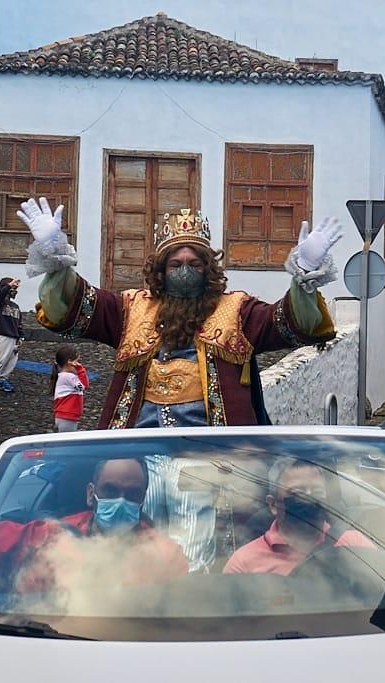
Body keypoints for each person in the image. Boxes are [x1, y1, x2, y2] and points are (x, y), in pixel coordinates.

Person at [20, 198, 341, 572]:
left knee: (194, 555)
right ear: (161, 269)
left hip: (207, 463)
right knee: (130, 547)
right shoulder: (129, 309)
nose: (184, 271)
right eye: (176, 264)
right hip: (137, 463)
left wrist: (303, 274)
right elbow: (72, 308)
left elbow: (290, 324)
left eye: (194, 264)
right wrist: (56, 259)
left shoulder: (237, 310)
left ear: (208, 269)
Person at [0, 457, 188, 595]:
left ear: (142, 500)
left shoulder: (166, 555)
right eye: (110, 490)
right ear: (91, 494)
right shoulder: (46, 534)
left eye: (131, 494)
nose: (120, 500)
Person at [223, 457, 370, 576]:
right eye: (297, 493)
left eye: (317, 492)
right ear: (273, 505)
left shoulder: (354, 544)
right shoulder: (244, 563)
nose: (308, 498)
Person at [0, 277, 23, 394]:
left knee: (11, 361)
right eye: (12, 288)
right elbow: (0, 295)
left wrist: (21, 336)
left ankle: (3, 379)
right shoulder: (0, 303)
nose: (14, 290)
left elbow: (19, 323)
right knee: (0, 359)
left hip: (14, 337)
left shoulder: (16, 306)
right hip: (3, 335)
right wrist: (9, 285)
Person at [51, 343, 88, 432]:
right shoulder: (69, 377)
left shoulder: (64, 376)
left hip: (64, 415)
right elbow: (84, 386)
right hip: (67, 416)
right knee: (65, 442)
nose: (79, 364)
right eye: (77, 361)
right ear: (70, 362)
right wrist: (81, 370)